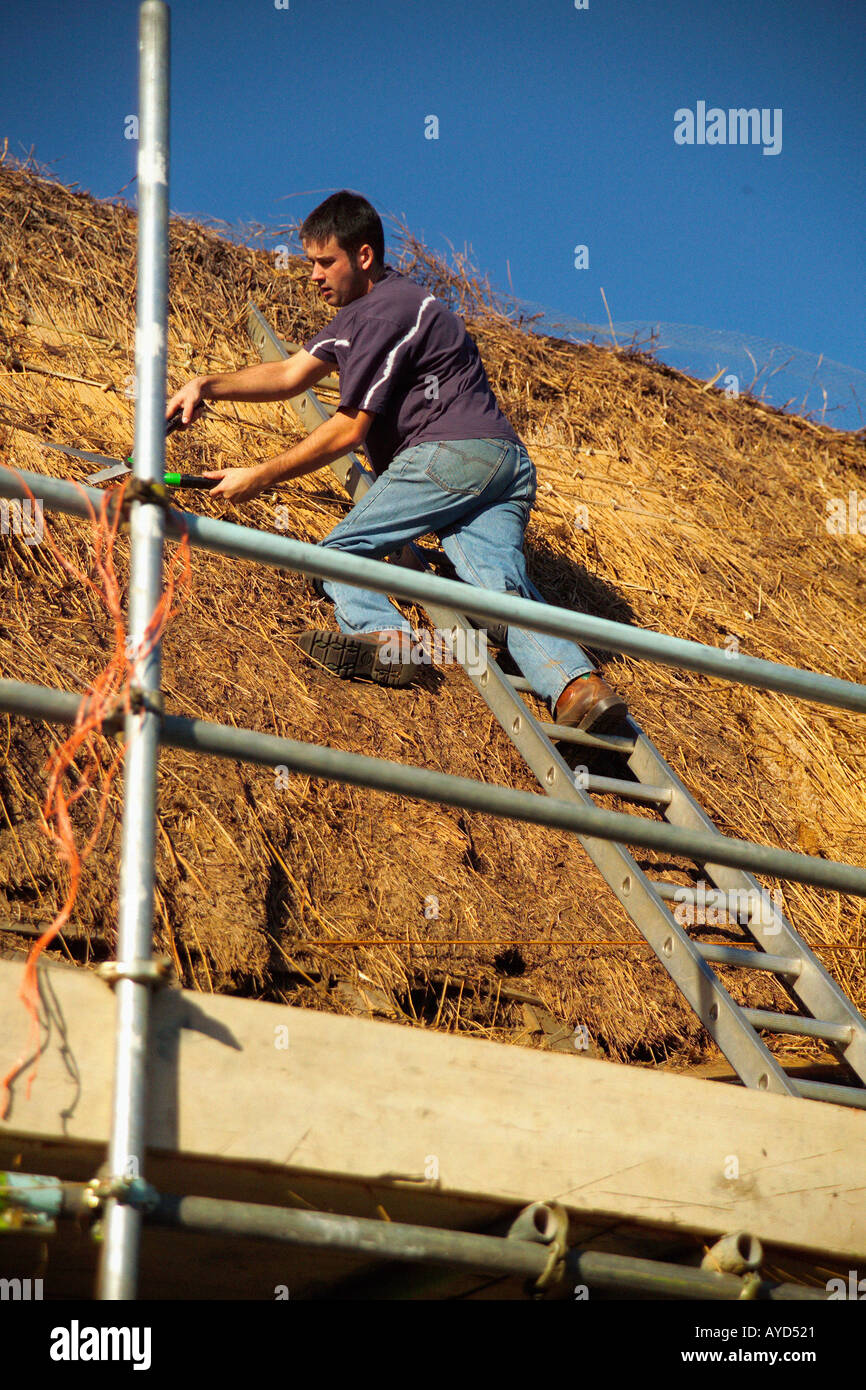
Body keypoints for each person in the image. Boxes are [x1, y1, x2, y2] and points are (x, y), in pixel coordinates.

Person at [166, 190, 628, 734]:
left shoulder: (386, 314)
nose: (311, 275)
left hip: (448, 457)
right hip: (502, 464)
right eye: (309, 262)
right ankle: (576, 685)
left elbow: (349, 429)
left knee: (340, 553)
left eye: (324, 262)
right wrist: (207, 385)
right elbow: (292, 374)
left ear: (364, 256)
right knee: (495, 589)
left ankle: (387, 640)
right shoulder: (367, 314)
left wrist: (261, 475)